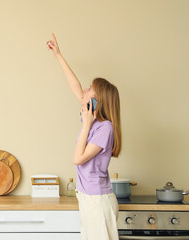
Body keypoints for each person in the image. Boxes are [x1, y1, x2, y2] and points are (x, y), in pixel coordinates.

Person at [47, 33, 122, 240]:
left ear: (98, 101)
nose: (84, 90)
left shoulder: (104, 127)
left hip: (98, 201)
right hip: (89, 199)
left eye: (89, 89)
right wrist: (58, 55)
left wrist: (87, 123)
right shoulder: (95, 123)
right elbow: (75, 87)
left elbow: (77, 159)